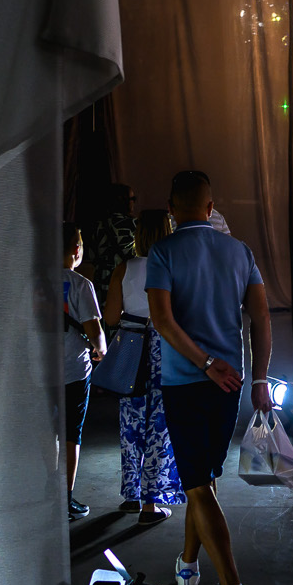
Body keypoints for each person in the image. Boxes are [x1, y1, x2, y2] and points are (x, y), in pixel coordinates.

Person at [144, 170, 275, 585]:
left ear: (171, 208)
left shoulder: (162, 252)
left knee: (197, 483)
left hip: (186, 383)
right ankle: (187, 566)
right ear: (210, 206)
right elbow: (261, 317)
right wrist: (259, 379)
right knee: (204, 480)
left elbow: (162, 321)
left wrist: (201, 363)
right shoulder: (240, 252)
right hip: (231, 386)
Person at [106, 207, 183, 523]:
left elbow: (110, 318)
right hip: (164, 350)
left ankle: (132, 495)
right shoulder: (173, 267)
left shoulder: (123, 269)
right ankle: (152, 504)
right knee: (160, 427)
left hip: (131, 350)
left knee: (131, 424)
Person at [62, 224, 106, 522]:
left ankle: (47, 494)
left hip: (37, 373)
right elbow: (94, 330)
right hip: (73, 370)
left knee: (46, 435)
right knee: (70, 436)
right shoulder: (80, 284)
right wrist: (101, 349)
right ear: (77, 251)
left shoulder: (30, 283)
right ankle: (65, 500)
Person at [86, 183, 138, 295]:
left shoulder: (98, 225)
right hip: (126, 281)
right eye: (132, 198)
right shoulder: (134, 225)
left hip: (102, 283)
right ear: (125, 201)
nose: (134, 202)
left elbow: (92, 255)